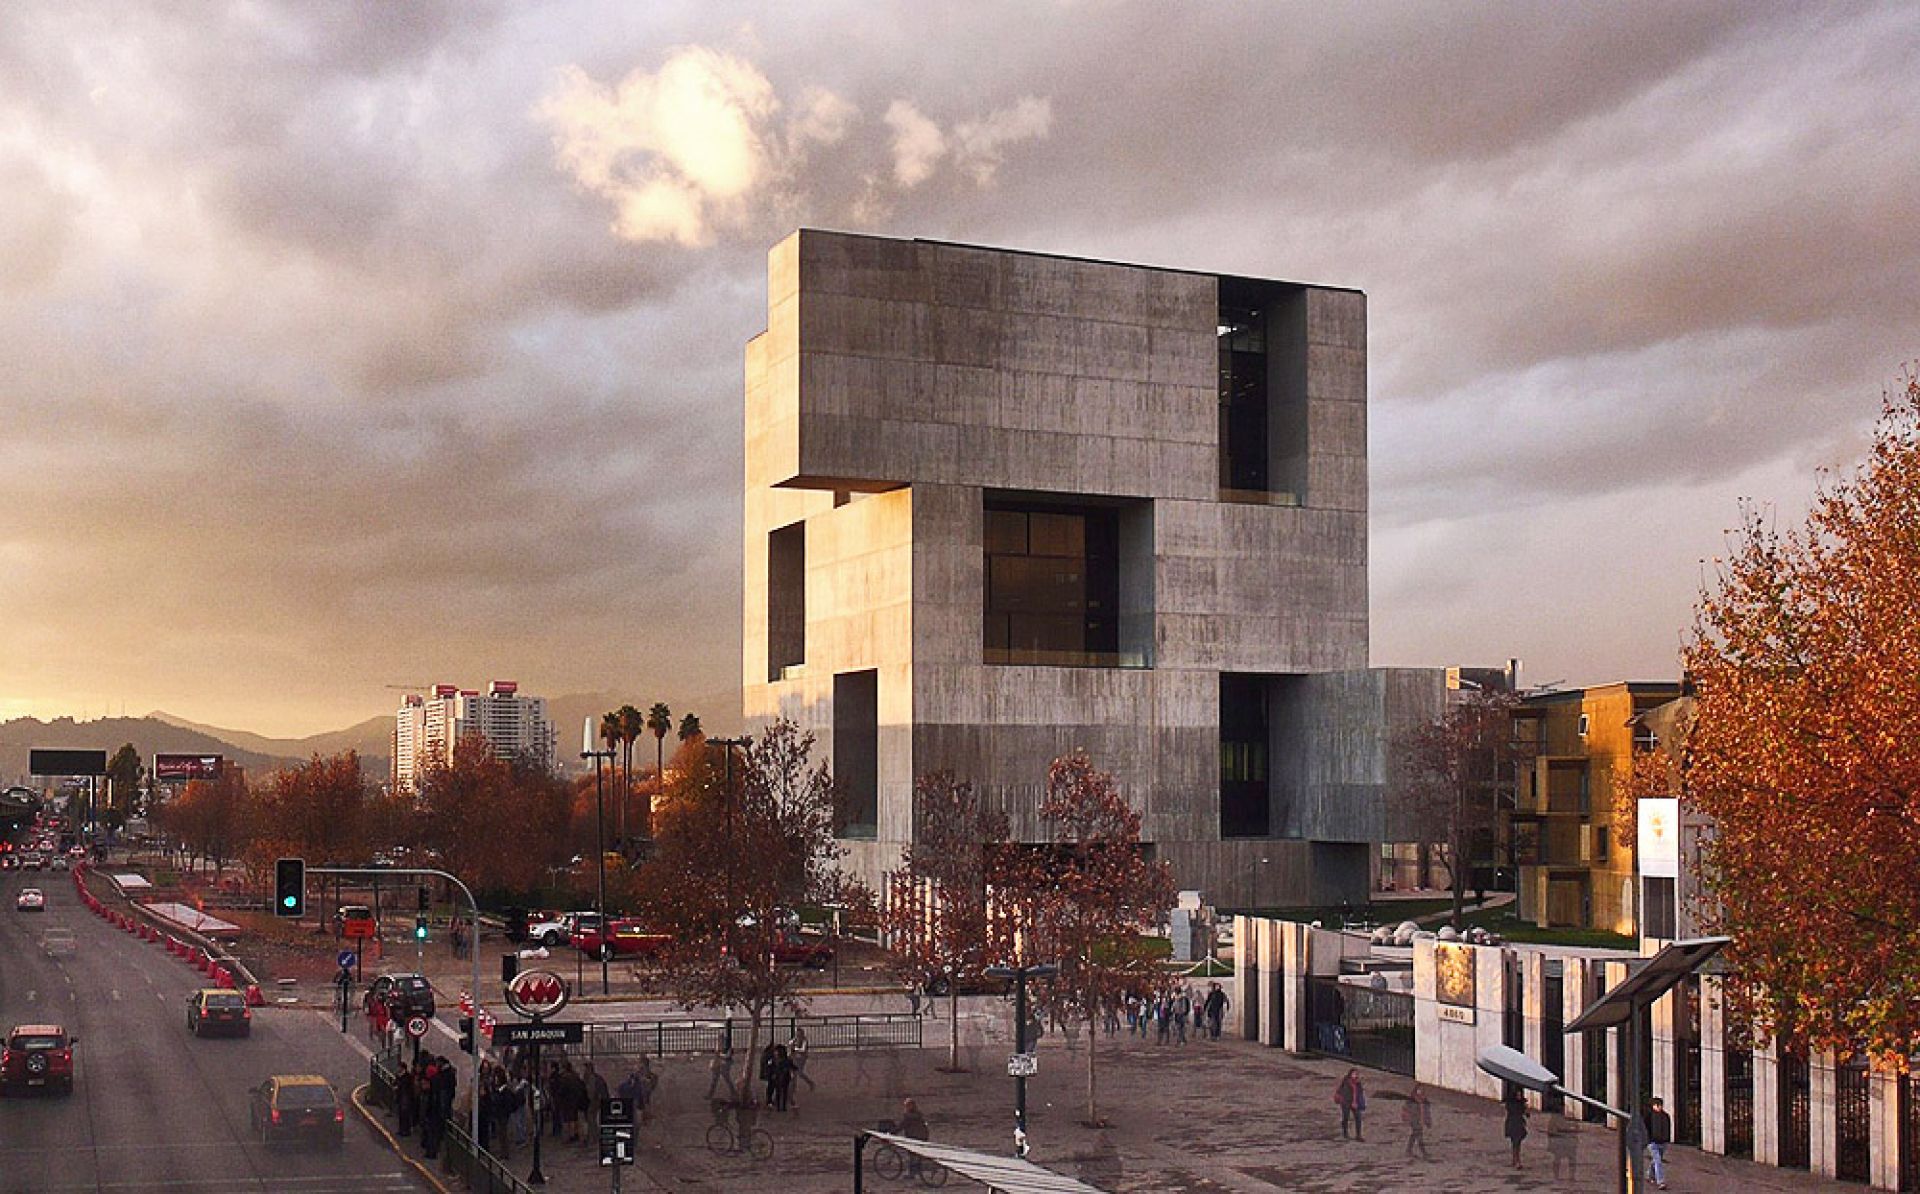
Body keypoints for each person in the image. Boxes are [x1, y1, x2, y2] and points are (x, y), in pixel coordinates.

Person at [898, 1097, 929, 1177]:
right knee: (917, 1156)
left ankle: (912, 1174)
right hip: (923, 1137)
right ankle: (917, 1171)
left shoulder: (908, 1116)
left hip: (914, 1137)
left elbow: (902, 1126)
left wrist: (892, 1132)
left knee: (912, 1156)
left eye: (907, 1106)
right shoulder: (919, 1114)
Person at [1646, 1096, 1672, 1189]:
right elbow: (1645, 1128)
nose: (1658, 1107)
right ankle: (1660, 1181)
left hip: (1662, 1142)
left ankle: (1649, 1174)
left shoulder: (1665, 1116)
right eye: (1656, 1105)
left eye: (1660, 1105)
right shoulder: (1649, 1116)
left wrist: (1667, 1139)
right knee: (1658, 1160)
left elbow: (1668, 1128)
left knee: (1656, 1160)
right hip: (1652, 1142)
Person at [1401, 1082, 1433, 1159]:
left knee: (1414, 1135)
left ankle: (1409, 1150)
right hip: (1414, 1121)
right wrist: (1406, 1118)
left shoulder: (1425, 1102)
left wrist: (1428, 1121)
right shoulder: (1411, 1101)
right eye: (1419, 1090)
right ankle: (1423, 1152)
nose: (1421, 1092)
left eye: (1422, 1090)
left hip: (1420, 1121)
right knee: (1419, 1136)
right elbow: (1405, 1110)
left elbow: (1427, 1113)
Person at [1334, 1069, 1366, 1140]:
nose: (1355, 1075)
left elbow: (1360, 1092)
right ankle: (1345, 1133)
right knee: (1346, 1117)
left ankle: (1358, 1135)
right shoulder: (1346, 1081)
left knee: (1358, 1118)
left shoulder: (1358, 1083)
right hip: (1346, 1102)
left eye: (1356, 1074)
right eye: (1354, 1074)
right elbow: (1341, 1090)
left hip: (1355, 1102)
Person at [1503, 1091, 1530, 1168]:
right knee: (1515, 1143)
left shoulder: (1520, 1104)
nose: (1519, 1096)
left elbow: (1527, 1115)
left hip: (1518, 1124)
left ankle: (1515, 1160)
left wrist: (1525, 1108)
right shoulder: (1511, 1104)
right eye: (1518, 1095)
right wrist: (1523, 1107)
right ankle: (1516, 1161)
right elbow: (1514, 1111)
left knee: (1516, 1143)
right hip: (1513, 1124)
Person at [788, 1026, 815, 1096]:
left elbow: (803, 1050)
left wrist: (795, 1048)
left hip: (802, 1058)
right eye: (797, 1034)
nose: (798, 1035)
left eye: (799, 1034)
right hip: (795, 1057)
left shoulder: (804, 1040)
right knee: (794, 1072)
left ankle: (810, 1083)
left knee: (799, 1073)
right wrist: (792, 1044)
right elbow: (790, 1043)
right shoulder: (795, 1039)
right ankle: (793, 1088)